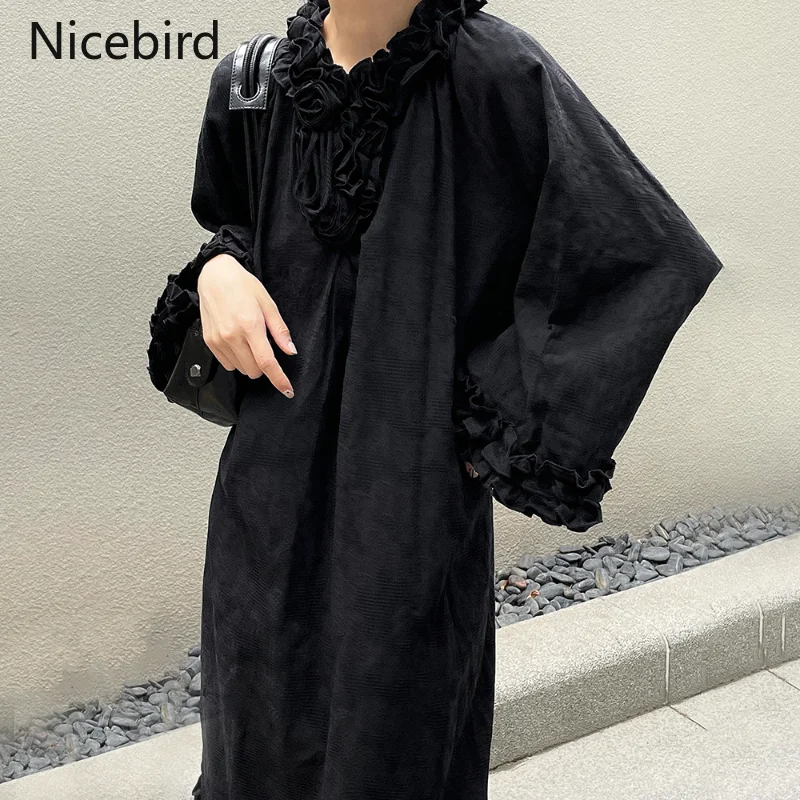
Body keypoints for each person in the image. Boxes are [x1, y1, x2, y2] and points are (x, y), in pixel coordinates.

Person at [147, 0, 724, 797]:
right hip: (264, 506)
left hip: (408, 516)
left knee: (394, 749)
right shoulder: (256, 80)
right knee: (255, 739)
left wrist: (487, 429)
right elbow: (234, 221)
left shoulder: (492, 73)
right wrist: (218, 270)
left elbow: (642, 252)